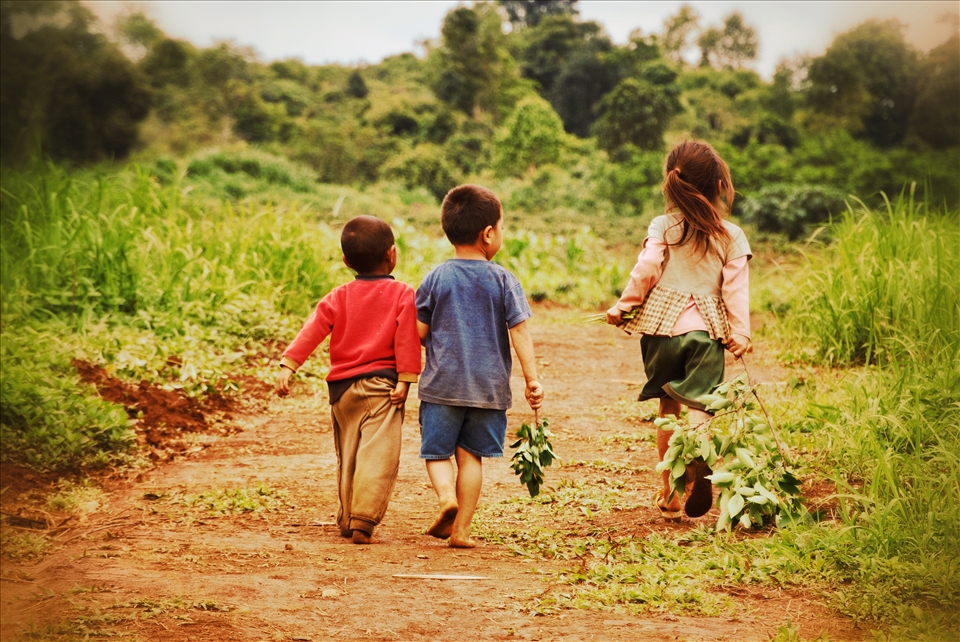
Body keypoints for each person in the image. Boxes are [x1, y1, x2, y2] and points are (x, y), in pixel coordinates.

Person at [606, 141, 751, 521]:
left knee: (667, 408)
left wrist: (624, 305)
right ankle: (701, 460)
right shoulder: (732, 235)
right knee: (701, 408)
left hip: (661, 331)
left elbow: (648, 267)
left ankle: (670, 494)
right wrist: (741, 334)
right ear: (719, 186)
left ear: (672, 185)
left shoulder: (662, 226)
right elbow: (736, 289)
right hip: (705, 335)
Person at [275, 215, 421, 544]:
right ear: (392, 254)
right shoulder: (402, 294)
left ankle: (345, 517)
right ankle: (363, 519)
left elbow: (311, 330)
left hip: (342, 392)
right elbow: (407, 339)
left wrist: (289, 365)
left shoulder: (337, 296)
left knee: (349, 453)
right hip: (382, 387)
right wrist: (406, 379)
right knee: (378, 454)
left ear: (345, 261)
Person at [416, 184, 544, 548]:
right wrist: (532, 380)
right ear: (488, 234)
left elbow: (419, 330)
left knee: (437, 452)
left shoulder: (436, 277)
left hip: (442, 385)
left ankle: (446, 499)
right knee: (472, 457)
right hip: (488, 389)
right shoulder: (504, 280)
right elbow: (519, 331)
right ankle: (461, 531)